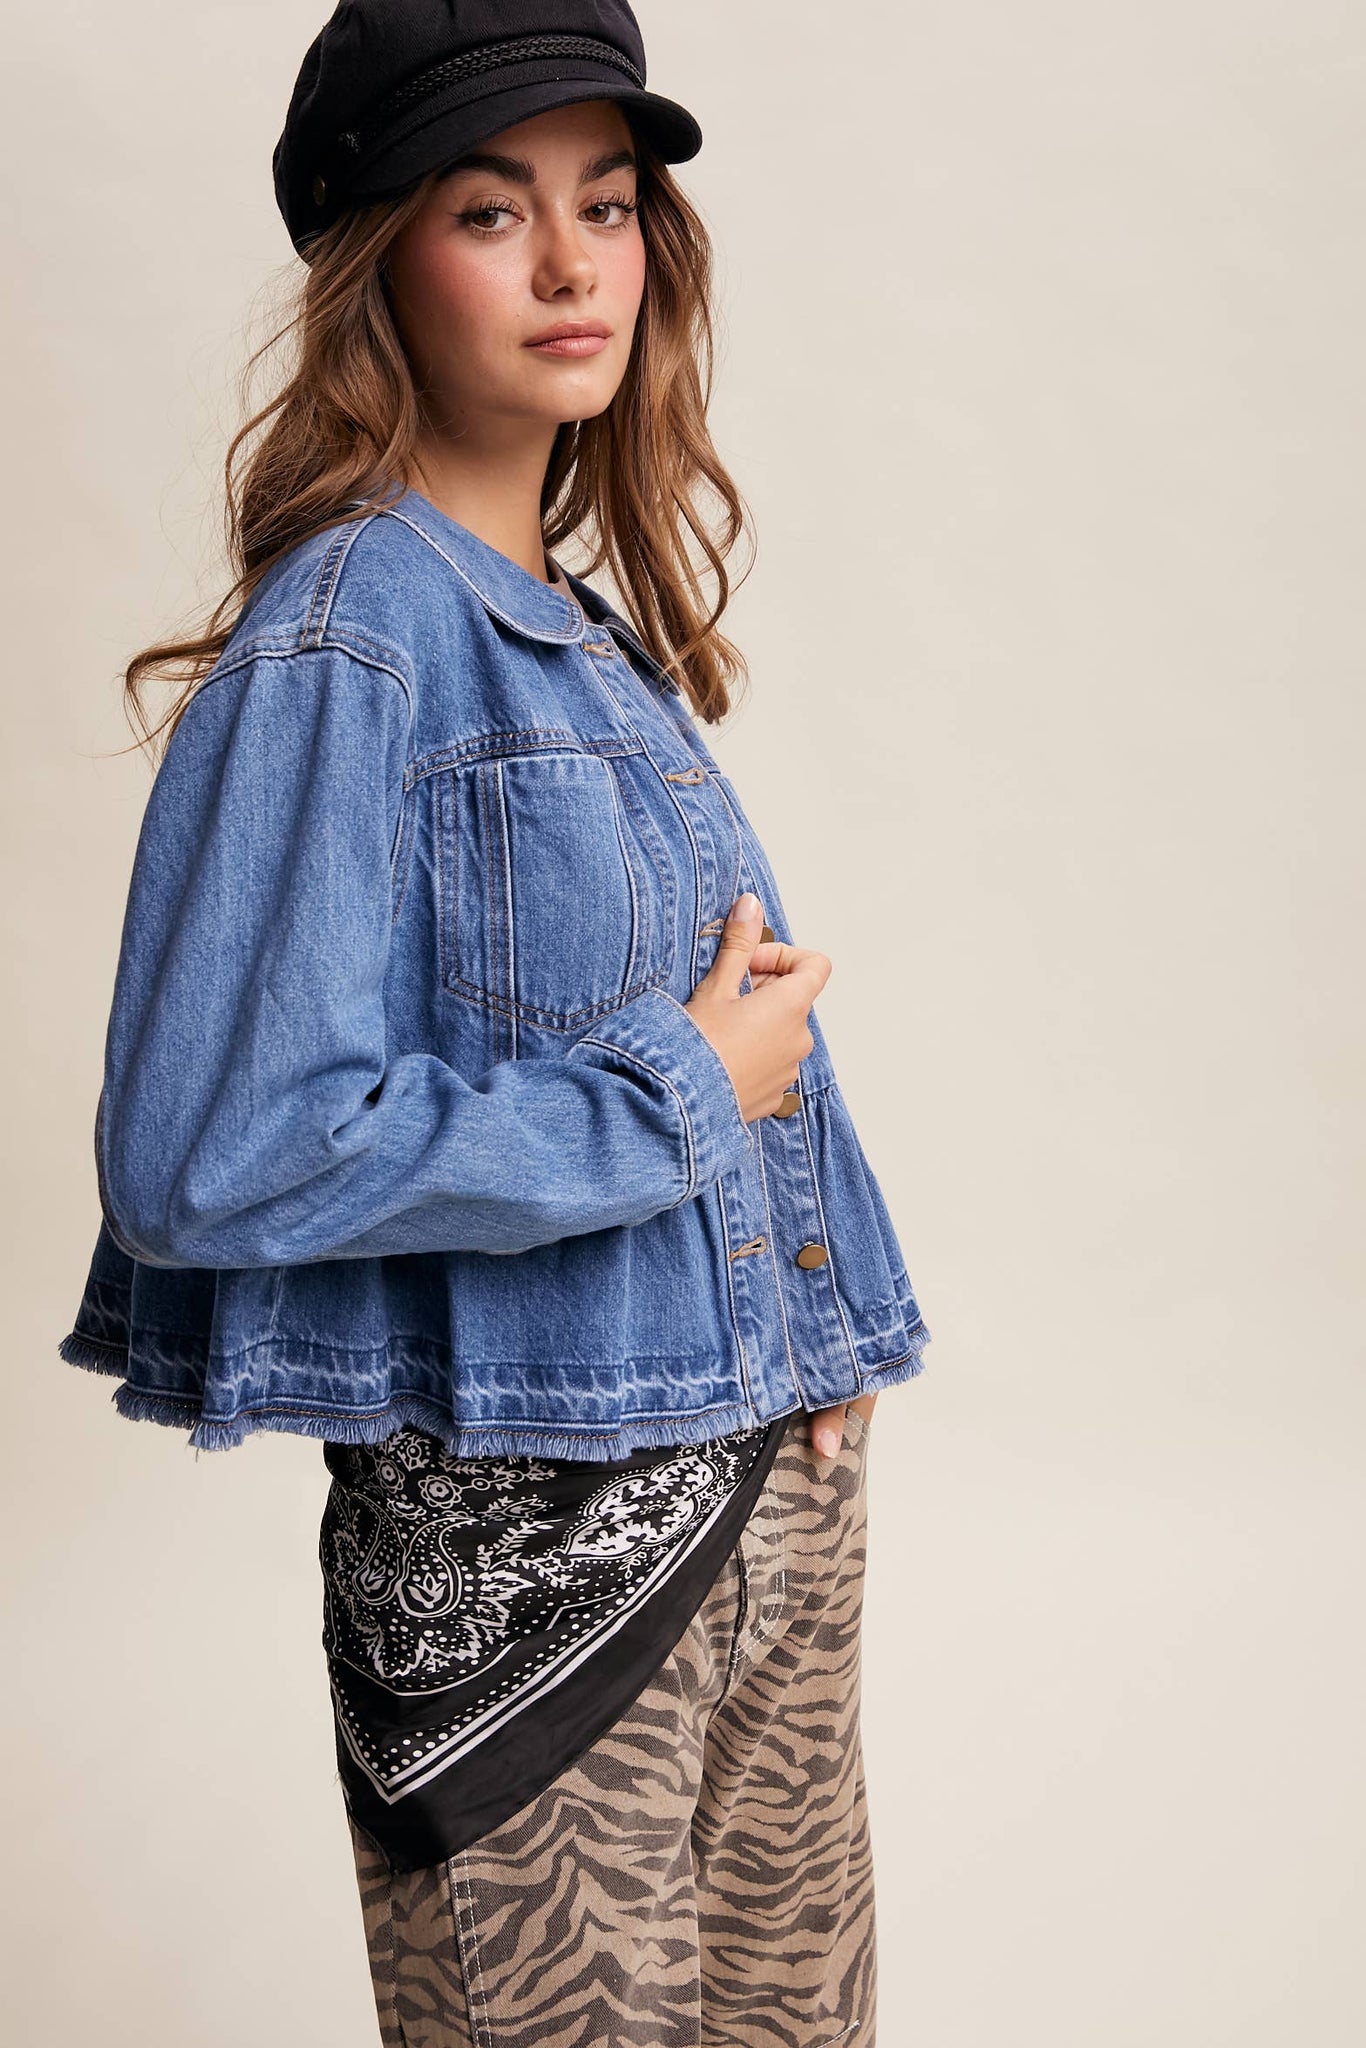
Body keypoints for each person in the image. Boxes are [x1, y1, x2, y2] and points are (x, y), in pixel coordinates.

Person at [56, 5, 931, 2043]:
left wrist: (819, 1343)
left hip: (765, 1502)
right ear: (380, 258)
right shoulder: (349, 637)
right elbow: (212, 1153)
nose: (566, 264)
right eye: (488, 210)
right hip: (535, 1597)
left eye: (605, 206)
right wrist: (674, 1098)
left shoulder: (576, 632)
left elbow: (735, 1048)